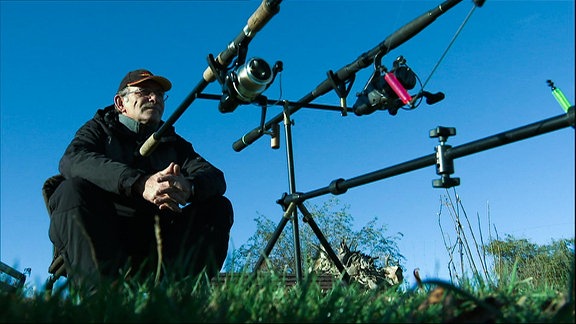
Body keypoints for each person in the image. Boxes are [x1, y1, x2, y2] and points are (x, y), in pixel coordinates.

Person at [46, 69, 234, 289]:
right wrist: (139, 183)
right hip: (106, 234)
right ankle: (102, 301)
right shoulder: (98, 129)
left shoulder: (174, 142)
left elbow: (215, 177)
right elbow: (72, 160)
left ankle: (177, 297)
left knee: (218, 206)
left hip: (159, 237)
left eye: (159, 94)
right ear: (120, 102)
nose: (154, 98)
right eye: (144, 92)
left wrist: (189, 186)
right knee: (70, 190)